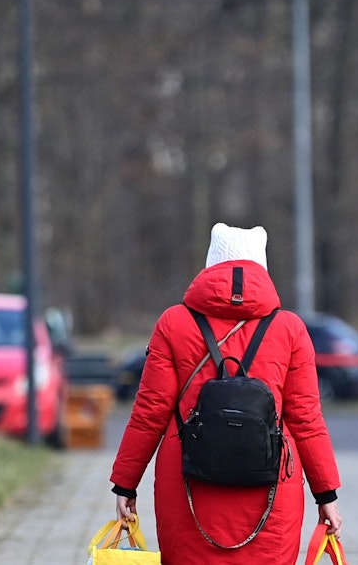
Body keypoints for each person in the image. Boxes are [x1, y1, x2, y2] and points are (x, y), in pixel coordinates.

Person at [110, 223, 344, 563]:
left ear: (210, 263)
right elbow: (307, 420)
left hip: (188, 484)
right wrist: (326, 495)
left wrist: (125, 484)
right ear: (261, 266)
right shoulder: (290, 329)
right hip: (271, 491)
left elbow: (150, 411)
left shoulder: (173, 323)